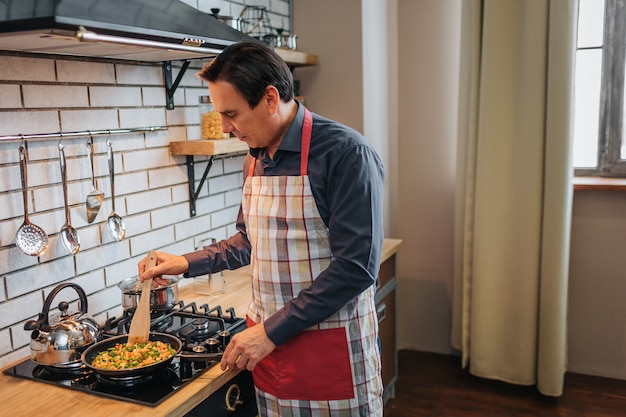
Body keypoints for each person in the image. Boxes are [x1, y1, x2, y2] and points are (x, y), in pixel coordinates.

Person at [138, 40, 385, 416]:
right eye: (219, 114)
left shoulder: (345, 153)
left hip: (329, 353)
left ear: (270, 98)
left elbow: (357, 267)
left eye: (231, 113)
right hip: (271, 353)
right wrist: (184, 263)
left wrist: (270, 332)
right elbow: (249, 242)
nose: (224, 127)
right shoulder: (254, 160)